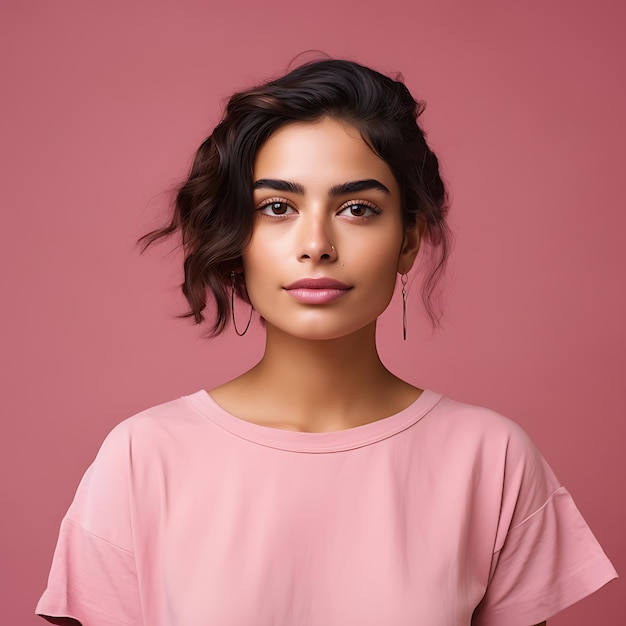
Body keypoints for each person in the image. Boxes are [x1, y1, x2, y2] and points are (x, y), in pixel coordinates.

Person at [36, 59, 616, 626]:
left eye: (358, 209)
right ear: (237, 236)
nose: (316, 244)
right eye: (277, 207)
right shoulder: (143, 457)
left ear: (408, 240)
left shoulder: (492, 460)